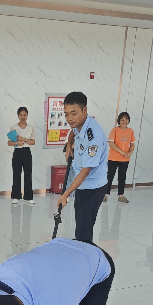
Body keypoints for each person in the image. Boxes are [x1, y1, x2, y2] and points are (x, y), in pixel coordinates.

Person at [58, 92, 110, 242]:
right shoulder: (79, 124)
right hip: (83, 184)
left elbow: (86, 171)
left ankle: (85, 251)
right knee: (82, 225)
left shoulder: (94, 136)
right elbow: (72, 132)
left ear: (84, 110)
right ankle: (82, 247)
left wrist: (66, 194)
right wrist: (69, 146)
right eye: (66, 114)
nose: (69, 118)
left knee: (84, 229)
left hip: (92, 187)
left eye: (73, 113)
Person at [105, 112, 136, 203]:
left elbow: (132, 144)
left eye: (126, 119)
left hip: (125, 159)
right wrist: (121, 152)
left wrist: (130, 152)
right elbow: (111, 143)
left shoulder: (130, 131)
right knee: (110, 177)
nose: (124, 122)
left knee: (122, 177)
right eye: (122, 120)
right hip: (113, 158)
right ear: (119, 121)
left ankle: (121, 195)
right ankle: (105, 194)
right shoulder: (114, 130)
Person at [9, 107, 36, 205]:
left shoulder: (31, 127)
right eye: (21, 115)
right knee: (16, 174)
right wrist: (18, 143)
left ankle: (28, 197)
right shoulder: (14, 127)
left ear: (27, 116)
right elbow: (9, 142)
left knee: (28, 174)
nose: (23, 117)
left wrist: (23, 139)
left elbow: (33, 141)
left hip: (27, 152)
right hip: (17, 152)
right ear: (18, 115)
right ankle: (16, 196)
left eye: (24, 115)